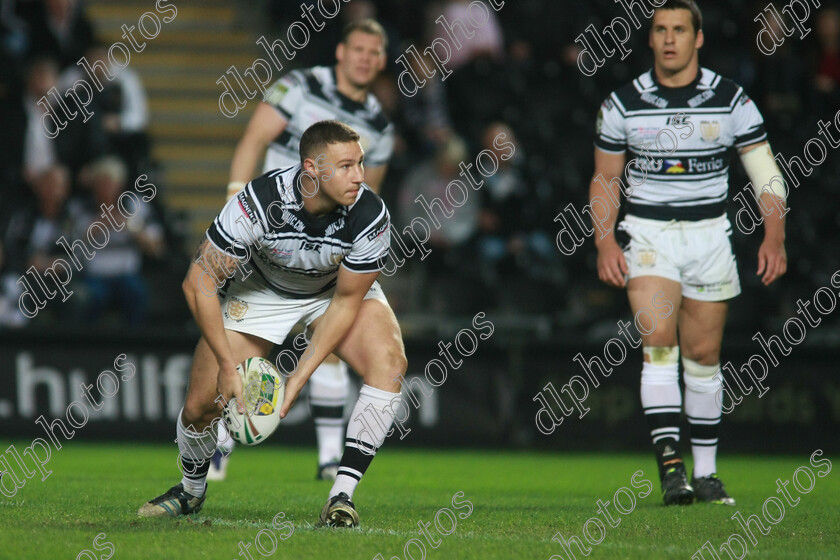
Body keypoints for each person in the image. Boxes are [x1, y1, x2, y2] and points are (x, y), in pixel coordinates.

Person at [138, 120, 407, 528]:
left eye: (361, 164)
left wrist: (297, 378)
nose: (360, 177)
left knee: (389, 364)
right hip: (260, 291)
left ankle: (341, 496)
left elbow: (348, 302)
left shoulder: (369, 213)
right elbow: (198, 283)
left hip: (330, 293)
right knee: (198, 407)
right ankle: (191, 492)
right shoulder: (260, 202)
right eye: (347, 166)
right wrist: (229, 369)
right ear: (311, 170)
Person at [589, 0, 787, 506]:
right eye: (661, 30)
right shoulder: (622, 103)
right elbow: (606, 178)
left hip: (709, 239)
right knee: (658, 345)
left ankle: (707, 474)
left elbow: (764, 171)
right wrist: (606, 240)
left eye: (680, 29)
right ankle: (671, 468)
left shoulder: (731, 99)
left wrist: (774, 235)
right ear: (650, 39)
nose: (670, 38)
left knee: (703, 357)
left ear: (698, 38)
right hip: (650, 236)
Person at [218, 18, 394, 482]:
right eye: (358, 48)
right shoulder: (299, 85)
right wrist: (236, 203)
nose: (365, 58)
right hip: (269, 241)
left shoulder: (380, 124)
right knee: (242, 348)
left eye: (374, 52)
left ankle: (329, 459)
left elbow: (366, 193)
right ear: (340, 52)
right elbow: (254, 140)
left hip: (325, 251)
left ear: (381, 61)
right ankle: (219, 450)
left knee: (331, 344)